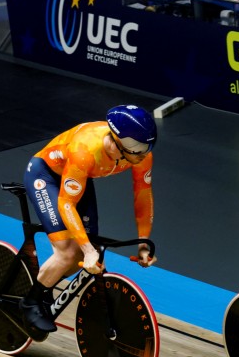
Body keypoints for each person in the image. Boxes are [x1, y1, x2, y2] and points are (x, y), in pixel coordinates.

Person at [19, 105, 158, 339]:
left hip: (79, 176)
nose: (145, 155)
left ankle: (46, 284)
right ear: (117, 143)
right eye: (139, 149)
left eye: (148, 147)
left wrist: (143, 242)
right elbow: (65, 203)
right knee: (69, 253)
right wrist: (86, 248)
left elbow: (142, 195)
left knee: (83, 258)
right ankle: (30, 302)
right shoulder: (86, 150)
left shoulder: (140, 155)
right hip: (46, 176)